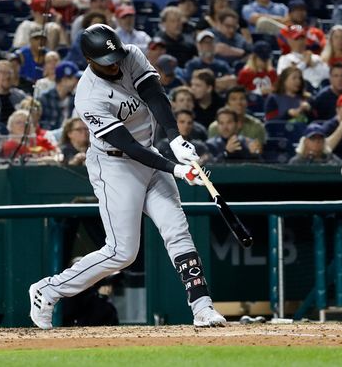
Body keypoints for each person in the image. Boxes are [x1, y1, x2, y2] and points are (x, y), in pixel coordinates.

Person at [28, 24, 226, 330]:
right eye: (107, 61)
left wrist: (174, 139)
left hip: (151, 155)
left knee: (177, 231)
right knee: (122, 252)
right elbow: (128, 146)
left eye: (117, 56)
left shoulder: (131, 55)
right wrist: (175, 167)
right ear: (90, 61)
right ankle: (48, 290)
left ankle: (202, 307)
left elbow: (155, 96)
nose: (116, 64)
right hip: (115, 167)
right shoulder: (88, 96)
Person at [276, 24, 330, 88]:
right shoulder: (285, 59)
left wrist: (313, 64)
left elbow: (329, 75)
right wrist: (304, 63)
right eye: (297, 39)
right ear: (289, 41)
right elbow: (283, 79)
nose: (300, 42)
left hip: (319, 90)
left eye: (302, 38)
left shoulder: (315, 57)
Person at [37, 61, 80, 131]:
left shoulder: (74, 99)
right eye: (75, 79)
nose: (77, 82)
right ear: (64, 80)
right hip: (49, 138)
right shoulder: (44, 99)